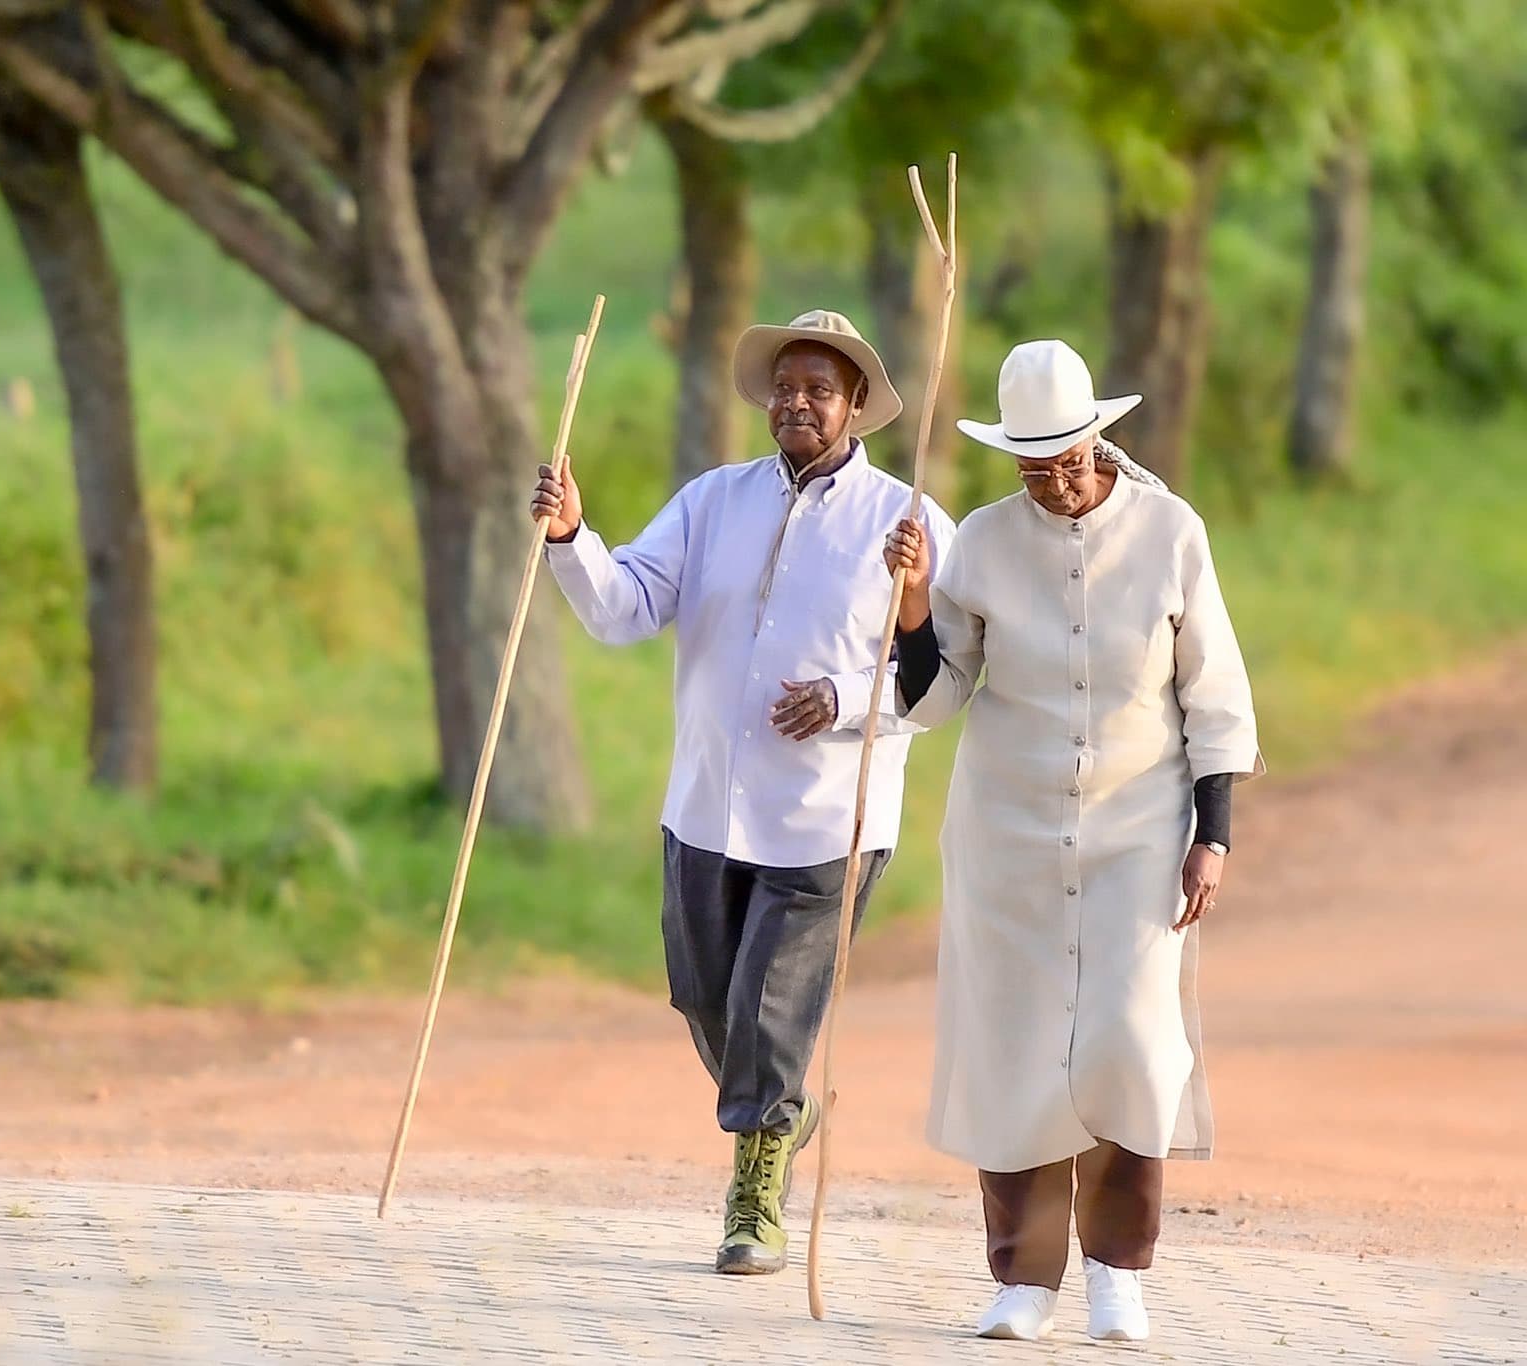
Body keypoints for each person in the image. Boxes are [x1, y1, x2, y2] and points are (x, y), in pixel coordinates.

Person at [530, 309, 956, 1275]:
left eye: (821, 388)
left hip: (823, 821)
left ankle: (754, 1195)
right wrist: (570, 536)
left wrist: (847, 697)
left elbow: (945, 680)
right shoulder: (712, 501)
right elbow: (622, 607)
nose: (798, 401)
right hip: (705, 806)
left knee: (767, 1012)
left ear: (855, 407)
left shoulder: (910, 522)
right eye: (786, 384)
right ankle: (781, 1105)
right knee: (703, 996)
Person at [882, 339, 1262, 1342]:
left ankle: (1115, 1273)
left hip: (1139, 831)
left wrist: (1209, 836)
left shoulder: (1170, 531)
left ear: (1099, 438)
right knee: (1013, 1050)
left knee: (1128, 1044)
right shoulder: (979, 542)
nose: (1051, 479)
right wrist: (914, 607)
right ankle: (1022, 1279)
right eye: (1029, 463)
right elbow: (932, 698)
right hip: (1005, 833)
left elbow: (1213, 696)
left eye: (1066, 457)